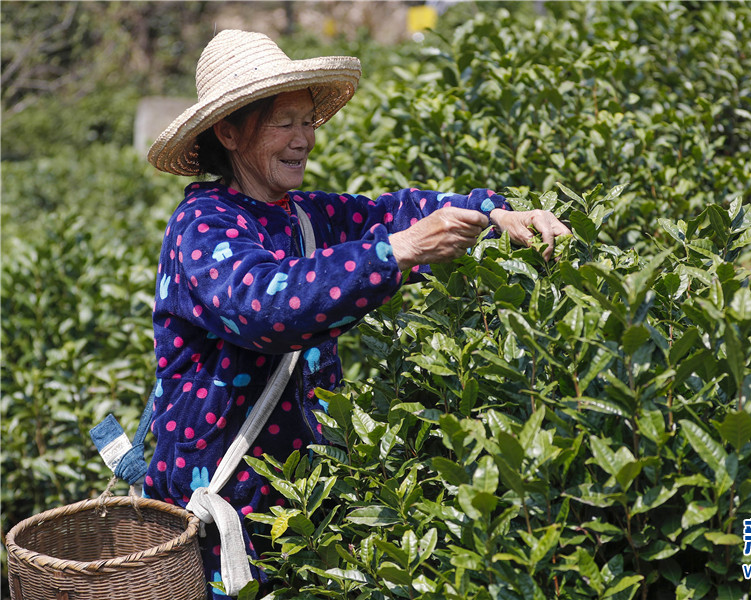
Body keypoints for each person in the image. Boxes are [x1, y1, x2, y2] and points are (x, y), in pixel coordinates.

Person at [145, 29, 570, 597]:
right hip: (215, 523)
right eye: (284, 123)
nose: (304, 140)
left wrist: (497, 213)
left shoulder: (304, 217)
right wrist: (400, 251)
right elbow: (267, 306)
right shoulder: (203, 223)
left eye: (307, 122)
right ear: (229, 132)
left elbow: (397, 210)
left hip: (301, 510)